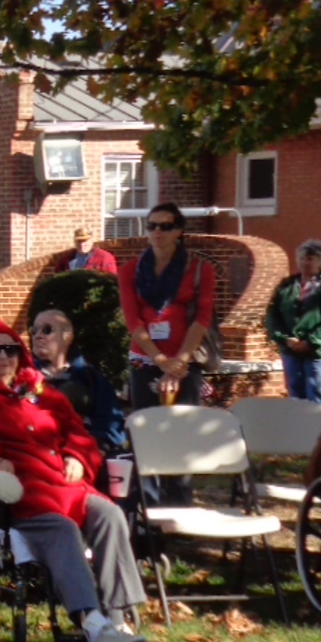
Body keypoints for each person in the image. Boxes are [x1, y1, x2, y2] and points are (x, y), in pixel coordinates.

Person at [0, 319, 150, 642]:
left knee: (110, 514)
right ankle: (93, 626)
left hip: (65, 482)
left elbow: (76, 429)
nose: (3, 357)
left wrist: (77, 456)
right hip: (24, 492)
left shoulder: (39, 389)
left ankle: (118, 620)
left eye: (10, 350)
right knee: (62, 528)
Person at [116, 202, 215, 504]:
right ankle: (149, 511)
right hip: (146, 361)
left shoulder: (200, 270)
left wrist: (178, 362)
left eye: (166, 226)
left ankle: (179, 506)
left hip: (185, 362)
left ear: (179, 231)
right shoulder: (130, 271)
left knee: (180, 436)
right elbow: (133, 321)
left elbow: (202, 317)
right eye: (152, 226)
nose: (157, 232)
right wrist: (160, 361)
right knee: (147, 436)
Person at [27, 309, 125, 457]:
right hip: (35, 454)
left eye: (47, 330)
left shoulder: (90, 378)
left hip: (81, 454)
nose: (38, 336)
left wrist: (94, 449)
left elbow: (110, 421)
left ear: (67, 337)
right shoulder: (23, 376)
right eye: (34, 330)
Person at [265, 239, 321, 407]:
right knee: (296, 398)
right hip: (291, 351)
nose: (305, 262)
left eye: (310, 258)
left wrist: (311, 341)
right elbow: (272, 314)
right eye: (302, 258)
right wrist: (285, 338)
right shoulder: (287, 285)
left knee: (320, 397)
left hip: (320, 352)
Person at [52, 227, 119, 274]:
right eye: (79, 241)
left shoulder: (104, 258)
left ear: (92, 240)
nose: (82, 244)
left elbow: (111, 281)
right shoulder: (66, 259)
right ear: (74, 241)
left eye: (85, 241)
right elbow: (57, 280)